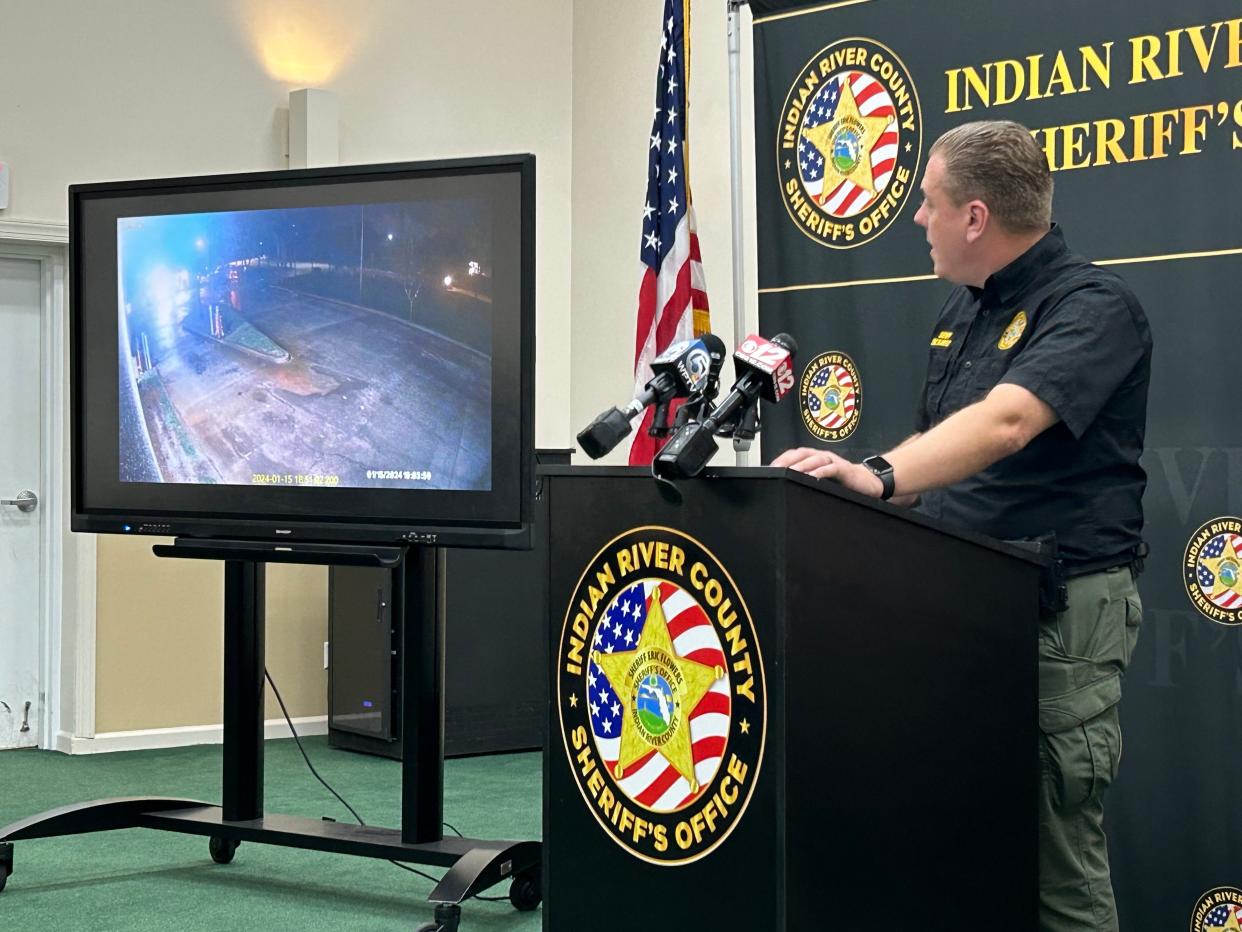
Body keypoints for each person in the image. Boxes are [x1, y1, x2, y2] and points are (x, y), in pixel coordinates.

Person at [773, 119, 1151, 932]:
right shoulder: (963, 311)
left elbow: (1008, 423)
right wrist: (863, 477)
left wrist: (878, 477)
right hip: (957, 612)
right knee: (956, 846)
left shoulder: (1094, 307)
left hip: (1055, 619)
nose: (915, 219)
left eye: (927, 203)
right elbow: (947, 450)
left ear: (975, 217)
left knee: (1057, 868)